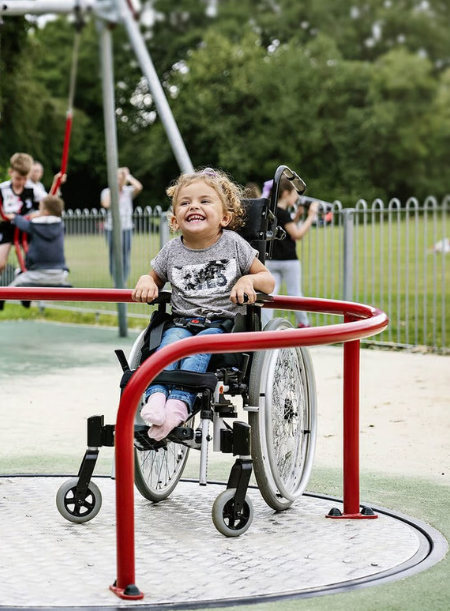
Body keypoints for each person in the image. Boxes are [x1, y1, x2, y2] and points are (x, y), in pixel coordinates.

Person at [132, 168, 274, 441]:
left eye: (204, 201)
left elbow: (267, 280)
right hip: (182, 321)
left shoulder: (234, 244)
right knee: (170, 343)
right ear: (175, 220)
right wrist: (146, 280)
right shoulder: (172, 250)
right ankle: (157, 396)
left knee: (199, 346)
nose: (194, 206)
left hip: (222, 325)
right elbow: (154, 277)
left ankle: (179, 404)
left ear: (225, 217)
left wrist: (248, 280)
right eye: (185, 203)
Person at [0, 194, 69, 311]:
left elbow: (22, 224)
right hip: (60, 273)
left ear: (45, 212)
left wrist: (15, 216)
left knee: (18, 280)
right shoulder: (60, 225)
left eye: (40, 209)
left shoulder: (35, 225)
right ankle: (26, 300)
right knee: (21, 272)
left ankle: (0, 300)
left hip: (38, 273)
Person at [263, 179, 318, 328]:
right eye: (295, 194)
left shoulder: (269, 211)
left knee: (269, 295)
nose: (297, 198)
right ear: (286, 194)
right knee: (295, 293)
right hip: (288, 260)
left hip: (271, 260)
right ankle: (304, 324)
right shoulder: (284, 213)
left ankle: (265, 327)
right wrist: (311, 216)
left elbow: (282, 228)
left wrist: (296, 218)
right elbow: (297, 234)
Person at [0, 152, 42, 286]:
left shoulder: (32, 190)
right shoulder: (3, 188)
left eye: (24, 179)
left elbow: (48, 203)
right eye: (18, 178)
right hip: (7, 228)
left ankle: (25, 287)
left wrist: (35, 214)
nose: (21, 182)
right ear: (11, 172)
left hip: (25, 228)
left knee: (30, 263)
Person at [100, 166, 142, 282]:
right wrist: (115, 188)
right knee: (113, 255)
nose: (120, 179)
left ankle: (123, 280)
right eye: (117, 177)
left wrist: (128, 176)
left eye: (121, 177)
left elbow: (139, 187)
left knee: (125, 255)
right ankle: (115, 280)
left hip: (126, 227)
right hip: (111, 228)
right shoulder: (107, 191)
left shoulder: (128, 191)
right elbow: (106, 204)